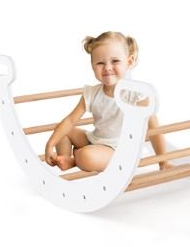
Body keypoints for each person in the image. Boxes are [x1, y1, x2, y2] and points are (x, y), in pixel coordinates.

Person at [42, 31, 168, 172]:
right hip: (96, 140)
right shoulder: (92, 93)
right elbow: (70, 121)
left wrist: (163, 162)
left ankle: (77, 159)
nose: (107, 67)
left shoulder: (137, 95)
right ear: (92, 66)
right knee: (62, 130)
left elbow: (154, 130)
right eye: (100, 63)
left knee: (85, 156)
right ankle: (66, 158)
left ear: (129, 61)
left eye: (115, 61)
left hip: (118, 150)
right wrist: (50, 144)